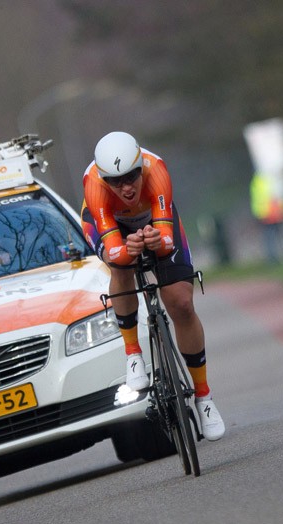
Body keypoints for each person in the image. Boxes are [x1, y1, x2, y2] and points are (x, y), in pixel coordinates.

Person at [80, 131, 225, 441]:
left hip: (156, 219)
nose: (126, 187)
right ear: (104, 178)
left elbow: (167, 241)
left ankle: (203, 397)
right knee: (121, 266)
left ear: (140, 167)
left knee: (182, 304)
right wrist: (125, 249)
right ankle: (133, 352)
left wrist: (157, 241)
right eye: (115, 181)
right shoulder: (93, 182)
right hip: (111, 224)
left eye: (131, 176)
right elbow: (114, 249)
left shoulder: (156, 168)